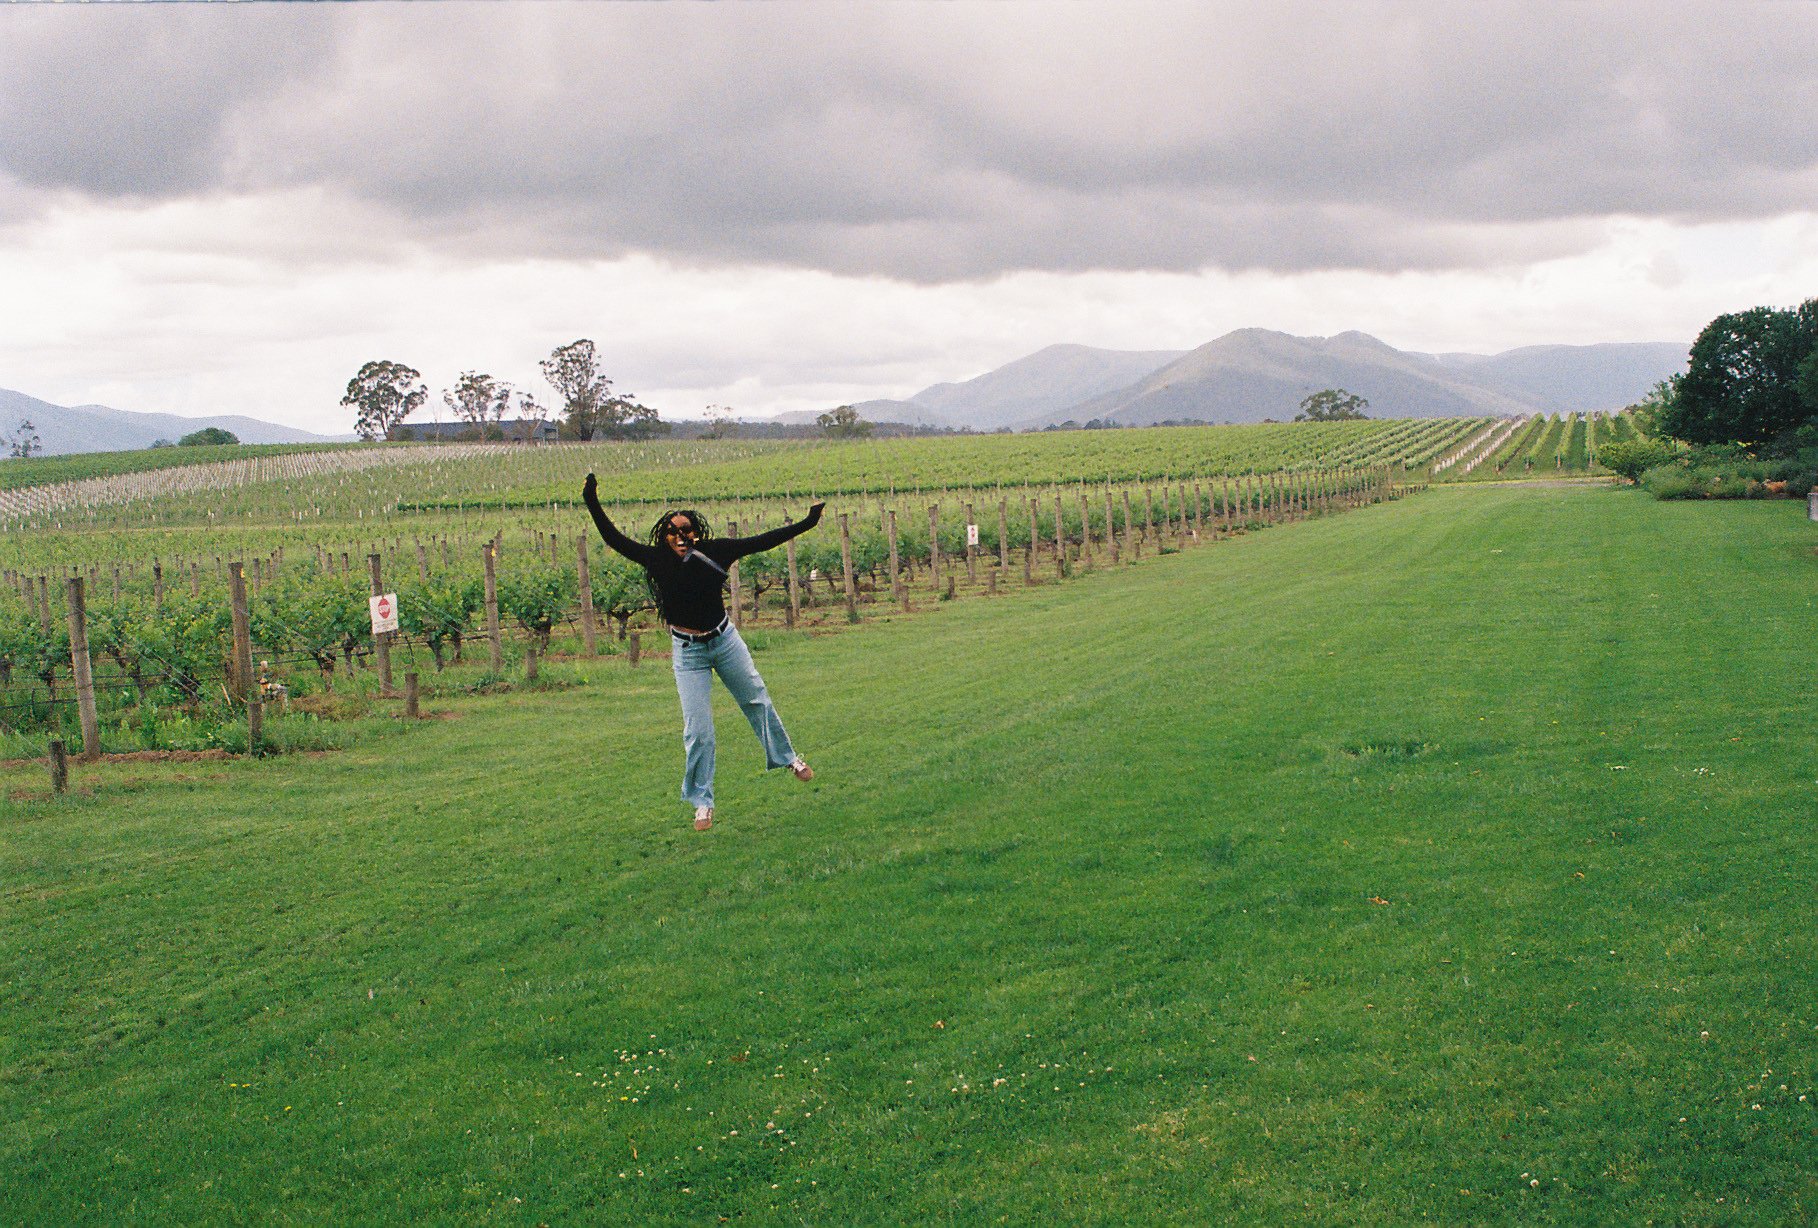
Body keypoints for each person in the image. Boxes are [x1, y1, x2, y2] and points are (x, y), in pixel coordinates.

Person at [583, 472, 823, 830]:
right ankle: (702, 802)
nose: (681, 537)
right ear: (664, 536)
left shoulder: (716, 551)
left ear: (698, 531)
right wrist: (591, 501)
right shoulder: (656, 560)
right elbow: (613, 537)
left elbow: (764, 540)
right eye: (673, 531)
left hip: (724, 641)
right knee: (698, 730)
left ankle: (789, 758)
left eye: (687, 530)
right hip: (688, 651)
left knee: (756, 699)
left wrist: (808, 521)